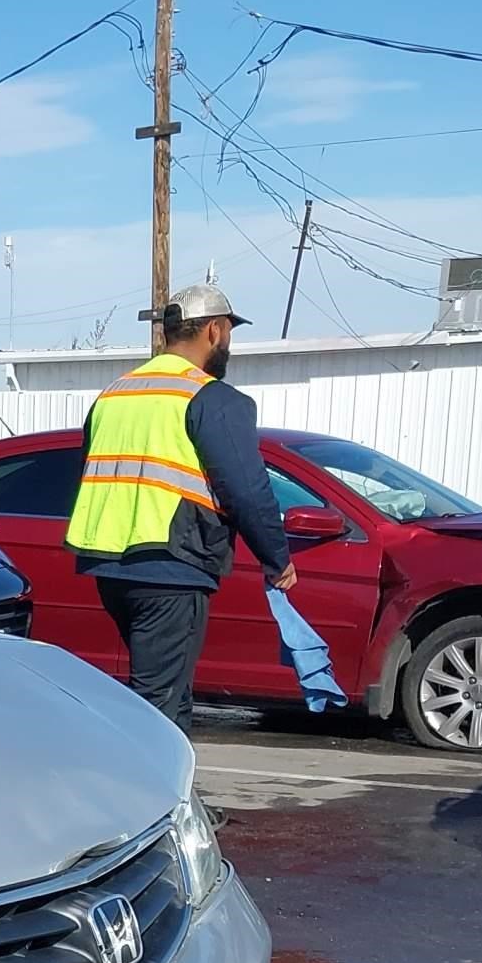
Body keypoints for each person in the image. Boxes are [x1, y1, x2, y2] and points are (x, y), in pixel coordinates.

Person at [65, 282, 296, 731]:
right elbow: (245, 488)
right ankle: (149, 797)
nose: (228, 341)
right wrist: (277, 558)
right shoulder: (211, 397)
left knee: (166, 689)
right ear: (214, 330)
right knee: (158, 704)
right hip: (171, 565)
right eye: (228, 330)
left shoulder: (115, 393)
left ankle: (175, 792)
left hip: (109, 565)